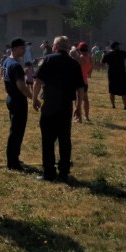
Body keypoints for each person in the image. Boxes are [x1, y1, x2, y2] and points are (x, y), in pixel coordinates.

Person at [32, 36, 86, 183]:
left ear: (55, 47)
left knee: (48, 140)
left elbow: (37, 81)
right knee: (64, 140)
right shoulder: (74, 64)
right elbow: (80, 88)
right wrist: (78, 108)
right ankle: (63, 172)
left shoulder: (47, 60)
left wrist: (34, 98)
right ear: (68, 48)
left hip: (50, 106)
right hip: (65, 107)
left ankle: (49, 172)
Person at [3, 38, 34, 171]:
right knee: (17, 132)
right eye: (22, 48)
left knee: (14, 130)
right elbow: (21, 86)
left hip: (11, 98)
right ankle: (13, 163)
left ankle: (13, 158)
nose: (24, 50)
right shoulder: (15, 65)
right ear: (14, 49)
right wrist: (33, 98)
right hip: (18, 100)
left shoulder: (7, 61)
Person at [102, 40, 126, 110]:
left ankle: (113, 105)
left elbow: (102, 62)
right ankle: (125, 106)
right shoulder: (120, 53)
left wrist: (104, 55)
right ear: (115, 47)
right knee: (124, 91)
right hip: (121, 75)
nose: (119, 47)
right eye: (118, 46)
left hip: (111, 75)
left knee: (112, 91)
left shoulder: (108, 54)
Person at [74, 42, 94, 121]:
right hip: (85, 81)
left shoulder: (81, 58)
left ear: (79, 49)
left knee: (78, 99)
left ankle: (78, 117)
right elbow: (89, 72)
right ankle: (87, 116)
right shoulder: (90, 57)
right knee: (85, 99)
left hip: (78, 80)